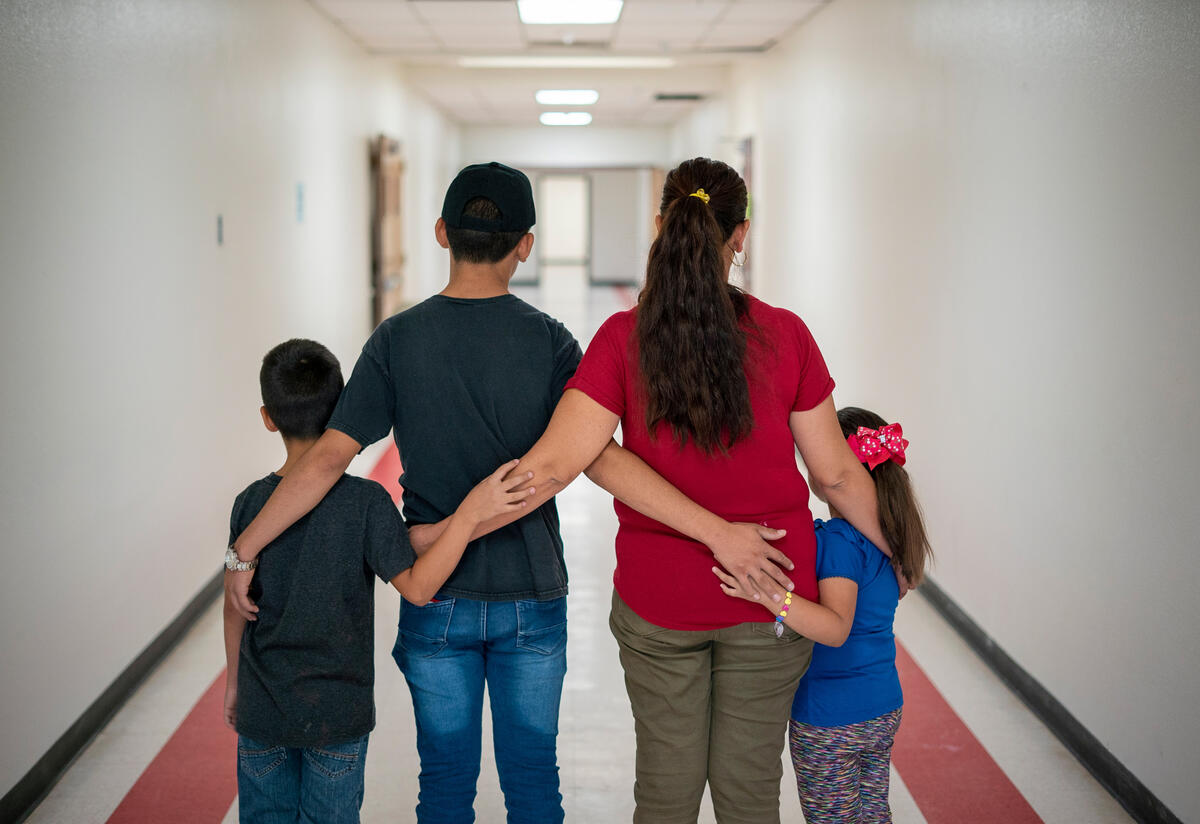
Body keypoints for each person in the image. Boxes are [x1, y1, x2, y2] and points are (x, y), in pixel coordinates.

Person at [224, 162, 791, 824]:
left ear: (441, 232)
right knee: (531, 779)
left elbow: (324, 462)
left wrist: (245, 549)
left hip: (435, 596)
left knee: (443, 781)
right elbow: (589, 457)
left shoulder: (396, 340)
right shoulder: (551, 342)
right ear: (526, 244)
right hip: (533, 594)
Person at [432, 157, 900, 824]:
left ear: (660, 225)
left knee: (666, 792)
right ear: (740, 236)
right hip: (774, 596)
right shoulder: (787, 335)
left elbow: (559, 464)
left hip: (662, 604)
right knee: (748, 796)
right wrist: (899, 555)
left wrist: (447, 534)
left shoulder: (623, 338)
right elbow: (835, 475)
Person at [222, 338, 532, 824]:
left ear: (268, 416)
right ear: (342, 409)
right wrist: (472, 514)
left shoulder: (250, 504)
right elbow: (415, 585)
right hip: (337, 714)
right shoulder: (365, 503)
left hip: (265, 708)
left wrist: (234, 684)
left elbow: (233, 602)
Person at [715, 406, 931, 824]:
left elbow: (835, 629)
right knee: (872, 814)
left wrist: (770, 596)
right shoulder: (890, 542)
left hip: (831, 719)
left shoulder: (840, 543)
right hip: (882, 705)